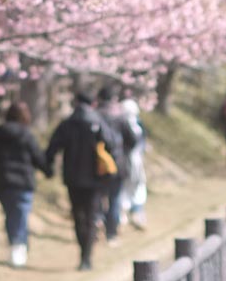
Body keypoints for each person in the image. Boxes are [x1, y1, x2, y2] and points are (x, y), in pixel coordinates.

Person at [45, 90, 127, 271]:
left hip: (72, 177)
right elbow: (112, 144)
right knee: (91, 215)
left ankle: (84, 250)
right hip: (96, 177)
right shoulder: (98, 122)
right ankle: (86, 256)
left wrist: (48, 168)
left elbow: (52, 148)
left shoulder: (68, 124)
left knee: (78, 215)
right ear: (93, 104)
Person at [0, 102, 50, 268]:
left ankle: (17, 245)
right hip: (23, 181)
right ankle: (18, 247)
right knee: (20, 214)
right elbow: (37, 156)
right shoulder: (26, 134)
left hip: (4, 182)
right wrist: (48, 170)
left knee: (11, 215)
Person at [96, 87, 140, 244]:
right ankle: (111, 234)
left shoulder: (95, 116)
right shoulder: (120, 117)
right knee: (114, 198)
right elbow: (133, 140)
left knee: (99, 196)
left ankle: (98, 220)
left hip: (98, 164)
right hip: (118, 163)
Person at [116, 98, 148, 231]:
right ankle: (123, 215)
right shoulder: (123, 124)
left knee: (137, 186)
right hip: (126, 162)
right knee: (126, 188)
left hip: (134, 161)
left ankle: (135, 212)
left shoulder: (136, 123)